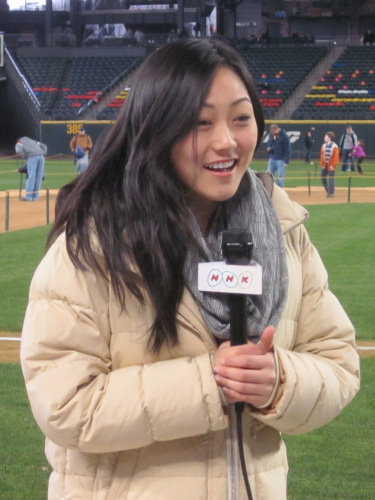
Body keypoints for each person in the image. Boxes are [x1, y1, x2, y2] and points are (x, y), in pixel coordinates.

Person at [21, 39, 359, 500]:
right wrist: (211, 382)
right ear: (156, 129)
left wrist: (278, 380)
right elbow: (64, 406)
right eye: (201, 123)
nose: (227, 140)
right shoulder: (94, 244)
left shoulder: (283, 231)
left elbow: (337, 363)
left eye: (241, 118)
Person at [15, 136, 47, 201]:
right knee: (38, 177)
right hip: (41, 157)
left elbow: (19, 150)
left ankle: (28, 197)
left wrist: (25, 157)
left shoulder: (19, 143)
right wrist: (43, 153)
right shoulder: (32, 141)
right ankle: (35, 197)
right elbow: (44, 146)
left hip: (32, 157)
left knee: (31, 177)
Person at [266, 123, 291, 187]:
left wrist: (286, 161)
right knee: (269, 175)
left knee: (280, 176)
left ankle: (280, 190)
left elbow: (287, 149)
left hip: (281, 159)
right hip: (272, 158)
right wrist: (269, 148)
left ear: (276, 129)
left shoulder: (284, 136)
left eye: (274, 131)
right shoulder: (271, 135)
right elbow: (270, 143)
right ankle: (269, 189)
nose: (273, 133)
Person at [320, 131, 340, 198]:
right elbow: (322, 156)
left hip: (331, 165)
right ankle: (328, 189)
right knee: (323, 177)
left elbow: (336, 157)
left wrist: (333, 165)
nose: (324, 137)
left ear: (329, 138)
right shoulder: (324, 145)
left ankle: (331, 192)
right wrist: (322, 164)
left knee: (331, 179)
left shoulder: (334, 146)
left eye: (325, 136)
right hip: (325, 165)